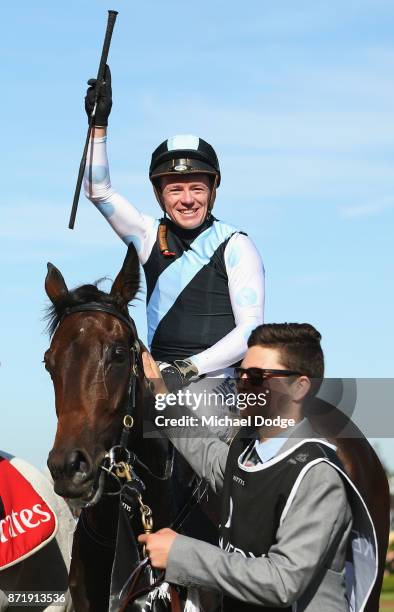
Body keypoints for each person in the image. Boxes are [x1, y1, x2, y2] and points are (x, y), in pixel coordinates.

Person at [139, 323, 377, 612]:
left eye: (256, 376)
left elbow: (282, 582)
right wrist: (162, 396)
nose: (241, 382)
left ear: (299, 387)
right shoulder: (246, 452)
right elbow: (207, 454)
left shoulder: (318, 474)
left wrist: (181, 554)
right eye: (241, 373)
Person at [83, 66, 264, 385]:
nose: (187, 199)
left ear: (212, 191)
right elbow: (98, 190)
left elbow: (250, 330)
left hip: (217, 382)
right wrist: (98, 125)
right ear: (159, 194)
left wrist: (187, 368)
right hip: (159, 380)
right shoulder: (147, 235)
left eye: (197, 188)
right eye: (175, 189)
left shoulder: (236, 245)